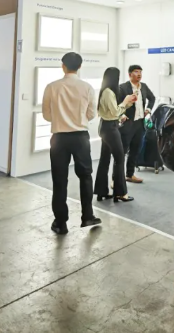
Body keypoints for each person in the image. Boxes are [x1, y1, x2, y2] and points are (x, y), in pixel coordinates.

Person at [42, 52, 102, 234]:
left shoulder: (51, 87)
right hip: (81, 137)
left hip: (59, 138)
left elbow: (46, 115)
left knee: (59, 180)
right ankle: (87, 216)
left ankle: (60, 223)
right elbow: (91, 114)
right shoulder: (87, 87)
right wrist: (77, 119)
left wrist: (61, 118)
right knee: (85, 176)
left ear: (63, 66)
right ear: (80, 66)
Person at [95, 67, 136, 203]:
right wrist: (125, 102)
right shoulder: (108, 92)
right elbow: (115, 112)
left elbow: (113, 111)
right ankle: (120, 193)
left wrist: (127, 104)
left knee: (105, 159)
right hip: (110, 128)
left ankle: (101, 192)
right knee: (119, 158)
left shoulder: (106, 91)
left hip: (106, 126)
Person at [118, 65, 156, 183]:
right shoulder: (123, 87)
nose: (139, 74)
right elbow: (117, 104)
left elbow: (152, 98)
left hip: (140, 123)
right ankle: (116, 178)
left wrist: (148, 109)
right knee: (122, 152)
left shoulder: (143, 86)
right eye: (136, 72)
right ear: (130, 74)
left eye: (140, 72)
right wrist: (121, 115)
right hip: (127, 123)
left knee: (135, 150)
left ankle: (130, 174)